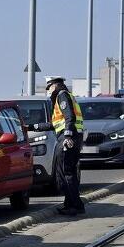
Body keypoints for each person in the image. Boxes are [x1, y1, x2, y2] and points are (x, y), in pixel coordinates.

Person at [28, 77, 84, 215]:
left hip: (67, 139)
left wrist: (68, 136)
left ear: (55, 85)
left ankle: (75, 206)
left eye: (49, 87)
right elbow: (55, 124)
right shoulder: (64, 96)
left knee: (66, 173)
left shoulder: (62, 96)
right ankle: (71, 204)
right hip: (71, 137)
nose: (48, 91)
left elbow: (70, 117)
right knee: (67, 173)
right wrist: (32, 127)